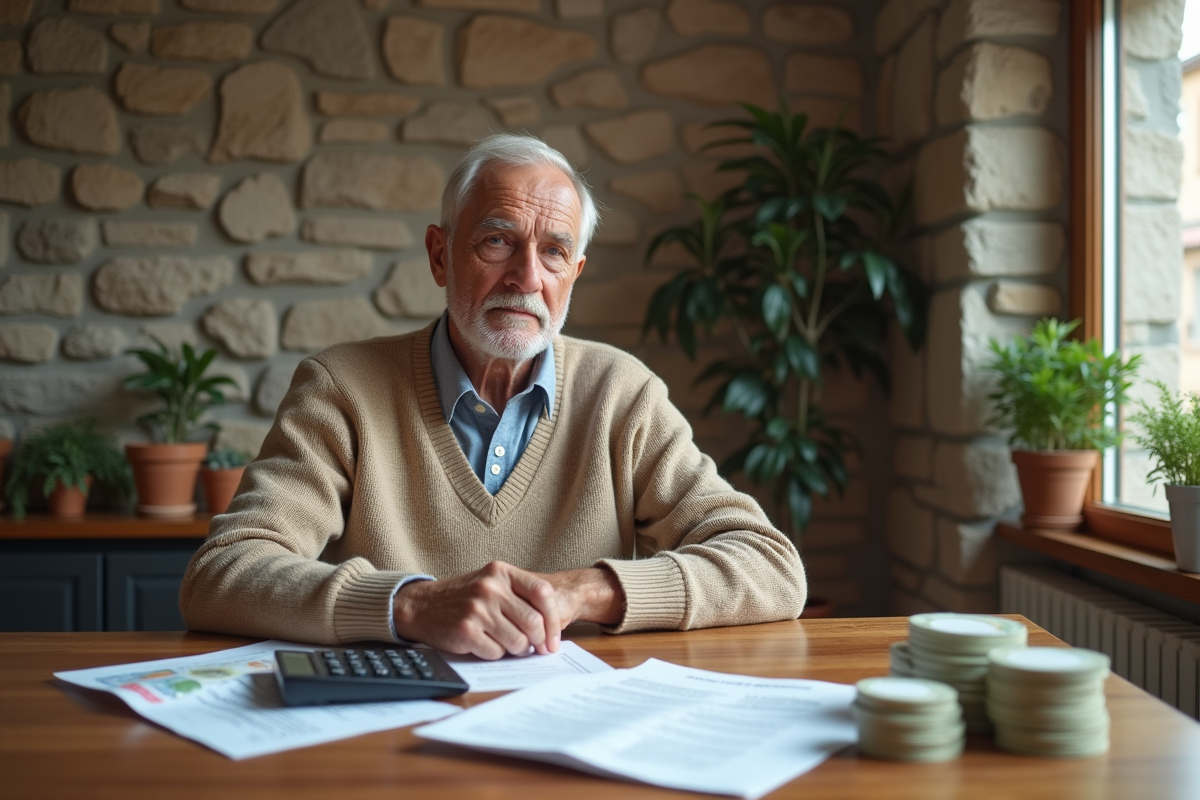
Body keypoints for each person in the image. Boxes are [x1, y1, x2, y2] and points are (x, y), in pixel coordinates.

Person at [180, 133, 806, 660]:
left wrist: (581, 593)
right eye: (497, 241)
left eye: (554, 252)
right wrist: (414, 604)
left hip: (571, 728)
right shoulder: (342, 388)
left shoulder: (623, 395)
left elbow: (771, 566)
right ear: (440, 255)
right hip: (390, 735)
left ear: (573, 277)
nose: (527, 277)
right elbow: (222, 575)